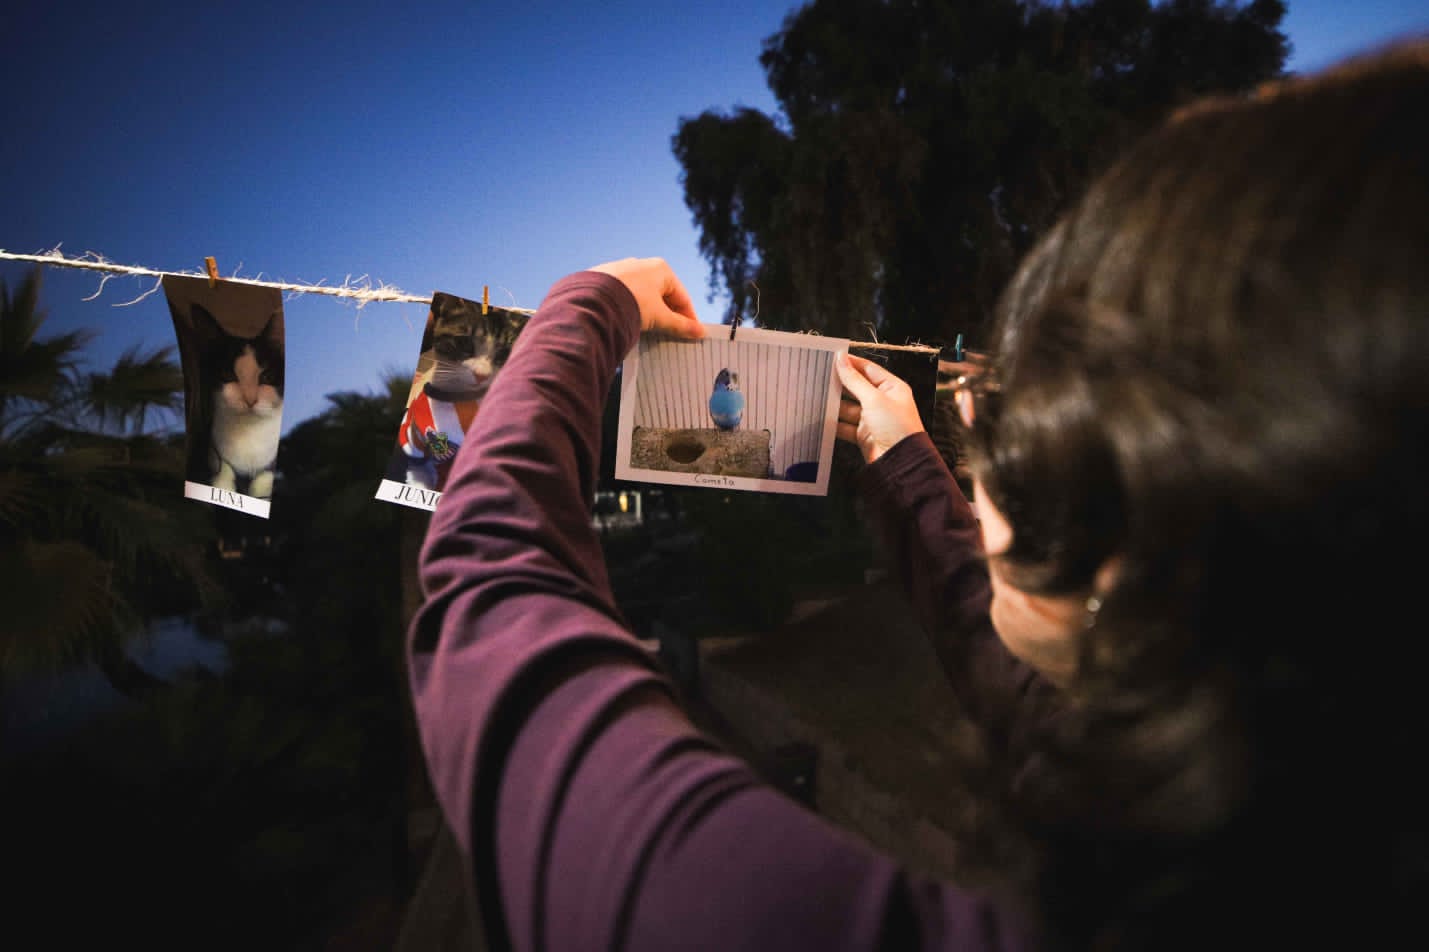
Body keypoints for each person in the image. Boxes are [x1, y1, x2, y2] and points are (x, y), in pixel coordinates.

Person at [407, 39, 1428, 950]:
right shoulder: (1300, 828)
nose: (974, 413)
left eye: (1044, 406)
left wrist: (583, 310)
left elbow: (499, 608)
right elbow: (1016, 685)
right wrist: (903, 459)